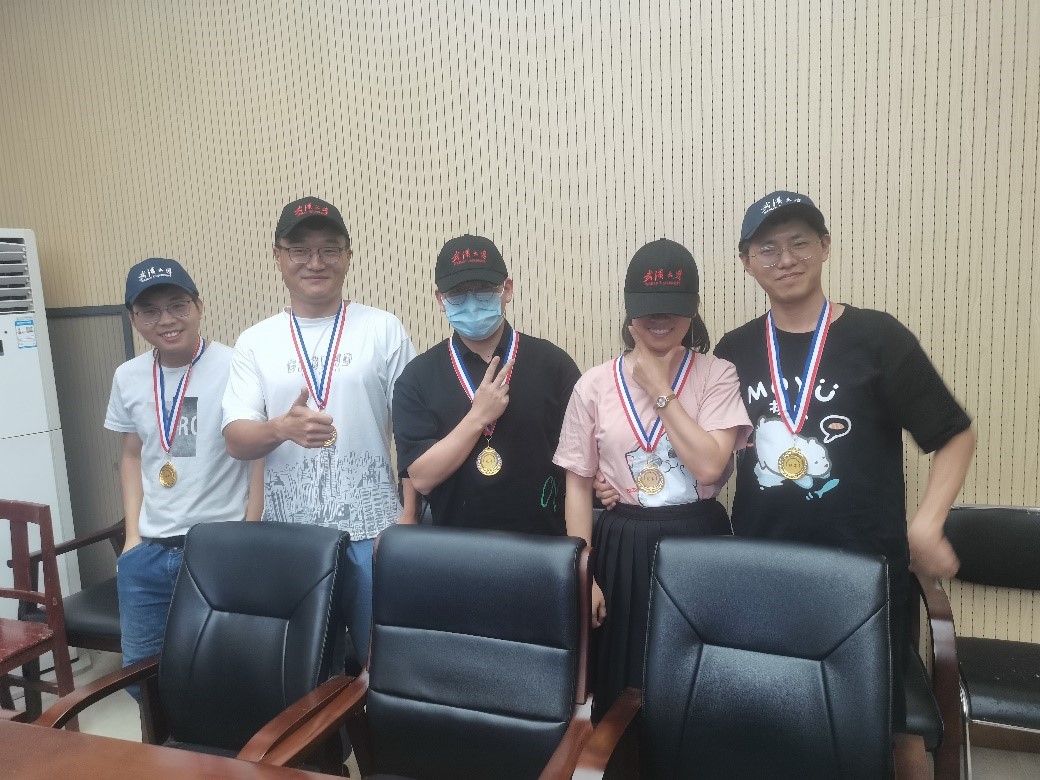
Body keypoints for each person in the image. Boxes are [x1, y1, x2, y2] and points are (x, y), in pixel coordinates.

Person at [712, 190, 976, 732]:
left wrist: (927, 524)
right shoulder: (733, 350)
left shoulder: (878, 338)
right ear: (746, 262)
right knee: (773, 715)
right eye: (768, 249)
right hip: (764, 567)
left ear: (825, 246)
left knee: (863, 725)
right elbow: (709, 448)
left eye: (800, 243)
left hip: (863, 570)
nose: (786, 259)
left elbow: (955, 434)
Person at [554, 238, 751, 720]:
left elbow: (710, 466)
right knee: (623, 672)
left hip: (700, 536)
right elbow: (577, 483)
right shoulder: (593, 384)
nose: (660, 319)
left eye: (673, 308)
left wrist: (660, 390)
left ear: (694, 308)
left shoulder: (718, 374)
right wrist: (584, 574)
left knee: (700, 675)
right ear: (629, 311)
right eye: (648, 309)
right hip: (622, 539)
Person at [221, 196, 417, 665]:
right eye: (299, 250)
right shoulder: (255, 341)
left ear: (348, 255)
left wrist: (408, 517)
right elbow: (235, 439)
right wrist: (279, 428)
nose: (315, 263)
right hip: (290, 540)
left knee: (384, 663)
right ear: (278, 256)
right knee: (303, 668)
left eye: (329, 249)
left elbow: (412, 432)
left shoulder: (383, 329)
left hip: (374, 533)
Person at [105, 258, 261, 683]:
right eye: (150, 311)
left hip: (219, 546)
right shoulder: (128, 376)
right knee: (141, 677)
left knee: (226, 671)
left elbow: (259, 453)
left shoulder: (236, 365)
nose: (167, 320)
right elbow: (132, 455)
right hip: (149, 551)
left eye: (178, 305)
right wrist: (132, 538)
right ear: (133, 318)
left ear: (199, 306)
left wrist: (249, 531)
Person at [392, 235, 581, 533]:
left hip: (544, 545)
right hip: (454, 547)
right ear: (440, 299)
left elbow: (581, 464)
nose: (471, 303)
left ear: (507, 289)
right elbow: (422, 478)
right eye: (458, 293)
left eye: (483, 289)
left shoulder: (553, 364)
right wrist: (478, 417)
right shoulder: (417, 377)